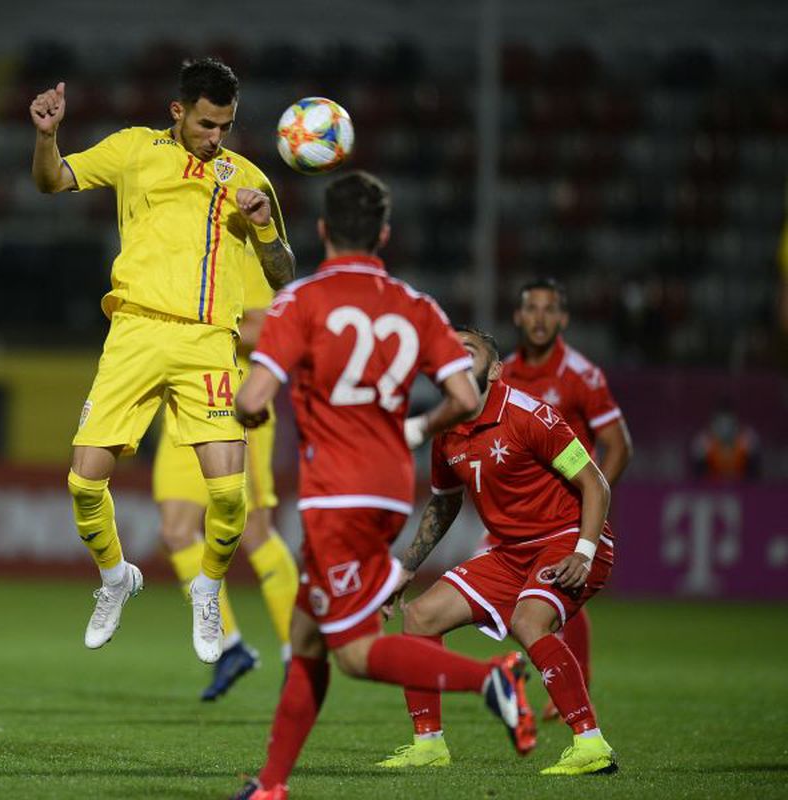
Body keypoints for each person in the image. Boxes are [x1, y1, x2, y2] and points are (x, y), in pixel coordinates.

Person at [229, 172, 534, 800]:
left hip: (336, 494)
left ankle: (491, 679)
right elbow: (461, 394)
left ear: (320, 230)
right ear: (385, 234)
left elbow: (253, 398)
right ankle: (271, 787)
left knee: (355, 651)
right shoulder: (417, 306)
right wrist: (416, 428)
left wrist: (252, 409)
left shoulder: (302, 301)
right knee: (308, 633)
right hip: (391, 489)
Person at [29, 57, 295, 663]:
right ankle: (116, 577)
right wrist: (47, 138)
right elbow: (52, 182)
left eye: (224, 126)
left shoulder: (248, 178)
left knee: (229, 498)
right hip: (135, 333)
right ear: (178, 112)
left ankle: (208, 588)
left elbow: (283, 274)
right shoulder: (133, 149)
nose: (214, 137)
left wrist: (264, 230)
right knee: (82, 480)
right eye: (205, 124)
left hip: (207, 342)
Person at [380, 326, 618, 776]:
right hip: (511, 553)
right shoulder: (446, 431)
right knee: (420, 617)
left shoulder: (530, 416)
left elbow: (595, 483)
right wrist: (407, 567)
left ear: (494, 370)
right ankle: (428, 744)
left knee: (529, 620)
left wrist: (584, 552)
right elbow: (445, 501)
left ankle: (592, 744)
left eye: (467, 351)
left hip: (568, 539)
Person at [152, 255, 299, 700]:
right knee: (176, 531)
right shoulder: (184, 250)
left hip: (237, 405)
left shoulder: (248, 258)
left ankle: (299, 653)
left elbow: (265, 332)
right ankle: (231, 646)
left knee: (254, 533)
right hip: (184, 404)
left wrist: (198, 323)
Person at [500, 277, 632, 720]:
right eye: (531, 308)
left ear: (563, 319)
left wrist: (590, 500)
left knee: (558, 589)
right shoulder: (505, 374)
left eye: (548, 309)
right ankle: (525, 673)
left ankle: (566, 678)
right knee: (502, 592)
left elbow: (618, 444)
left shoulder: (580, 375)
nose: (540, 318)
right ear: (518, 317)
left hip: (561, 514)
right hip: (520, 514)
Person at [691, 400, 759, 482]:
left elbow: (755, 476)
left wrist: (752, 455)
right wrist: (699, 458)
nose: (725, 429)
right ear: (713, 424)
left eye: (728, 424)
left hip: (741, 487)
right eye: (721, 424)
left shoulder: (745, 440)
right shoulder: (705, 441)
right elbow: (697, 477)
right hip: (712, 488)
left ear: (735, 423)